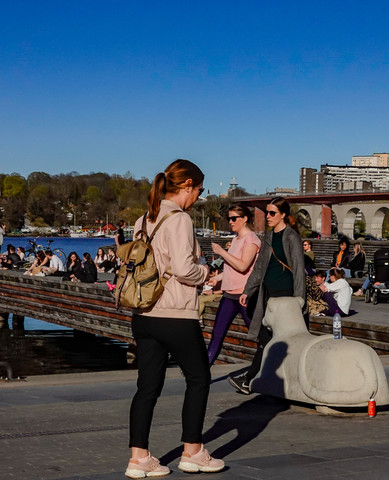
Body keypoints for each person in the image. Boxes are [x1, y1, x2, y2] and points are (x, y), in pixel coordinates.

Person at [126, 159, 224, 477]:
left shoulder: (144, 220)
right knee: (198, 378)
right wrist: (206, 273)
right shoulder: (179, 219)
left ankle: (138, 459)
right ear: (186, 186)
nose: (198, 196)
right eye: (199, 189)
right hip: (175, 314)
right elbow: (183, 269)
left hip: (143, 312)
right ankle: (192, 451)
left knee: (147, 387)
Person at [230, 196, 306, 395]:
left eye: (273, 213)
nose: (268, 217)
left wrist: (299, 300)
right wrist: (248, 290)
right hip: (268, 295)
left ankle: (248, 380)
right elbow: (259, 267)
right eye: (267, 213)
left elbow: (298, 269)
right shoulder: (269, 237)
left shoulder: (291, 237)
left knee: (268, 339)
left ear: (283, 215)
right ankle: (266, 381)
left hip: (286, 298)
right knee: (270, 339)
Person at [206, 204, 261, 366]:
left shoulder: (251, 240)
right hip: (229, 295)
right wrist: (217, 278)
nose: (230, 222)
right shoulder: (235, 239)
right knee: (217, 334)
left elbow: (243, 266)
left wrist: (222, 252)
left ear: (245, 219)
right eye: (229, 218)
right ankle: (202, 372)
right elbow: (232, 268)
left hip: (245, 296)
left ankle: (270, 367)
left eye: (234, 218)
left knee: (257, 335)